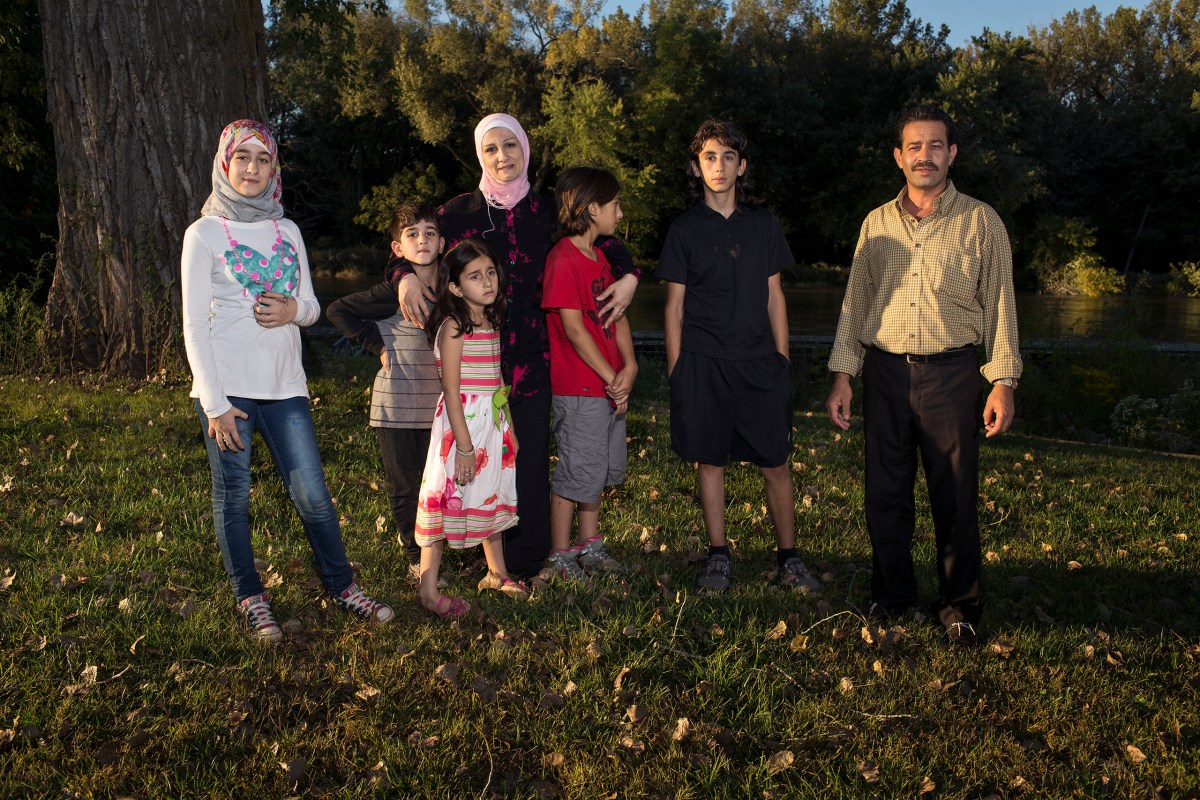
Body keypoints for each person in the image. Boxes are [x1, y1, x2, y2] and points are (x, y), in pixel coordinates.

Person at [395, 113, 640, 579]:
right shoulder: (458, 213)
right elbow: (409, 246)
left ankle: (530, 559)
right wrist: (404, 276)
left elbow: (605, 244)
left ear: (525, 150)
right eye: (491, 149)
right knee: (469, 454)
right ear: (479, 156)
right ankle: (465, 550)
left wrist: (630, 277)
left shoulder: (548, 211)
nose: (502, 156)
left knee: (523, 455)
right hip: (474, 357)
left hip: (535, 356)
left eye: (510, 146)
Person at [182, 119, 393, 642]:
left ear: (275, 168)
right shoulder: (203, 233)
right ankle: (251, 598)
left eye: (264, 159)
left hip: (286, 387)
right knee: (233, 496)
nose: (252, 168)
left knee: (313, 495)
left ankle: (342, 586)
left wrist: (293, 309)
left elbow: (314, 308)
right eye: (243, 157)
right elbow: (191, 324)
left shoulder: (287, 230)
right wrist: (212, 402)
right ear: (224, 163)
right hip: (227, 390)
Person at [824, 104, 1022, 649]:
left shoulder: (982, 221)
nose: (925, 156)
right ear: (898, 157)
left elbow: (1002, 306)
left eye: (935, 146)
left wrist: (1001, 380)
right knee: (885, 494)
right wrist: (843, 374)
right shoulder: (876, 223)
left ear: (952, 154)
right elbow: (855, 303)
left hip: (953, 375)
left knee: (953, 496)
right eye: (914, 146)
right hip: (884, 373)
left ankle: (959, 604)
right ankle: (892, 596)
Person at [659, 118, 821, 595]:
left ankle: (788, 558)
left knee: (776, 460)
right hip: (703, 362)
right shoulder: (685, 229)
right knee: (710, 460)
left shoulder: (764, 224)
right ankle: (718, 554)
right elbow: (674, 307)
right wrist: (677, 371)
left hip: (758, 364)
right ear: (697, 166)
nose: (719, 165)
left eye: (728, 156)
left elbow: (775, 297)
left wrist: (782, 360)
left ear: (742, 165)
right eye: (710, 156)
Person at [326, 201, 446, 588]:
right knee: (405, 484)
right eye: (412, 235)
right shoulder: (388, 293)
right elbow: (338, 310)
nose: (422, 240)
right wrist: (376, 344)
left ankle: (439, 545)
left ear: (442, 242)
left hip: (439, 408)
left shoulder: (453, 288)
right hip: (395, 406)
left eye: (429, 233)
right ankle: (414, 555)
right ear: (398, 248)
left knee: (437, 483)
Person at [413, 239, 527, 614]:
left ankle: (497, 572)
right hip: (461, 427)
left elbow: (495, 382)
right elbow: (452, 388)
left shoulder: (490, 319)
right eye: (475, 276)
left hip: (490, 424)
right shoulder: (454, 328)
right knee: (446, 497)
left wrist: (508, 428)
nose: (488, 282)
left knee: (490, 491)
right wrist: (464, 446)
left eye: (491, 272)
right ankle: (429, 591)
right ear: (456, 287)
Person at [540, 166, 638, 579]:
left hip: (607, 386)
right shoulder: (563, 258)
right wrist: (608, 376)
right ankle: (560, 554)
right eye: (615, 204)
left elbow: (617, 316)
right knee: (575, 470)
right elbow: (574, 329)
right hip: (580, 387)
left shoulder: (600, 258)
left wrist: (629, 366)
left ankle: (589, 545)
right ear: (592, 208)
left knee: (597, 468)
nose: (619, 212)